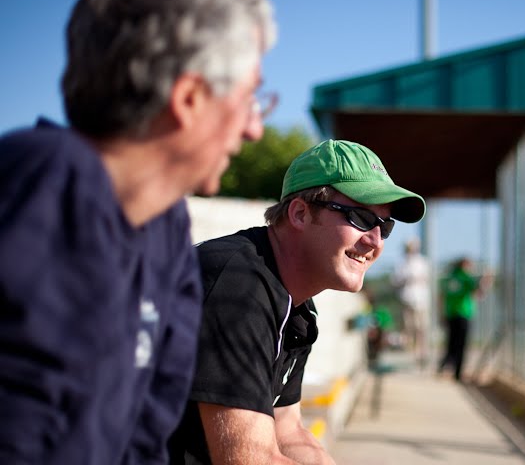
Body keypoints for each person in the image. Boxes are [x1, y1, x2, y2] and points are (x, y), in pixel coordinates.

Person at [0, 0, 276, 463]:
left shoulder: (165, 223)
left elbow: (147, 436)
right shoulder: (43, 184)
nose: (256, 129)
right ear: (189, 98)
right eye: (251, 98)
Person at [169, 139, 426, 464]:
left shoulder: (296, 305)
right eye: (360, 218)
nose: (375, 241)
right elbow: (247, 459)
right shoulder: (239, 287)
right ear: (301, 213)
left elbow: (287, 431)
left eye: (384, 226)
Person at [437, 257, 486, 382]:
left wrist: (441, 313)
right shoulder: (466, 278)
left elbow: (441, 296)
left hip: (450, 313)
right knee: (461, 344)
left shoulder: (449, 278)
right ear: (464, 265)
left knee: (451, 342)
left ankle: (445, 364)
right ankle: (457, 372)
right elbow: (477, 293)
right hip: (464, 313)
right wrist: (484, 282)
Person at [392, 238, 432, 368]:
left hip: (421, 301)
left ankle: (421, 354)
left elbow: (425, 279)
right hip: (407, 301)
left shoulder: (422, 262)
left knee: (421, 328)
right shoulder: (401, 264)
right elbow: (396, 281)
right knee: (410, 329)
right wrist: (407, 280)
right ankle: (414, 354)